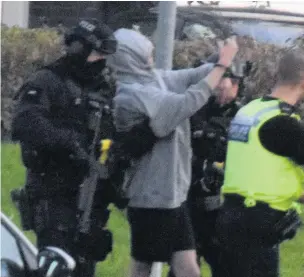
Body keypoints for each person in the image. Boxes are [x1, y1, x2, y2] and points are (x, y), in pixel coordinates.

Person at [107, 28, 238, 277]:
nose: (151, 59)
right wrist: (221, 65)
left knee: (187, 268)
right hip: (151, 196)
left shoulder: (151, 78)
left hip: (172, 195)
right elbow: (186, 102)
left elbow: (188, 78)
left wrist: (216, 60)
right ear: (130, 58)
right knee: (143, 265)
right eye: (145, 55)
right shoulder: (132, 95)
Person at [215, 49, 304, 277]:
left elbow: (254, 170)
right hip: (258, 224)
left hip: (229, 214)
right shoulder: (285, 124)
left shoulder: (249, 111)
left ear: (278, 75)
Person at [11, 19, 117, 277]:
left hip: (90, 199)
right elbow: (25, 123)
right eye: (97, 54)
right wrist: (68, 143)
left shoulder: (103, 89)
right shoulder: (48, 81)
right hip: (53, 194)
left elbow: (111, 135)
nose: (101, 61)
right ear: (78, 48)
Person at [167, 55, 244, 277]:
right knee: (182, 268)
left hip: (223, 208)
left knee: (226, 266)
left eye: (223, 80)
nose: (217, 87)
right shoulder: (193, 110)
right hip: (189, 200)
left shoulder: (243, 117)